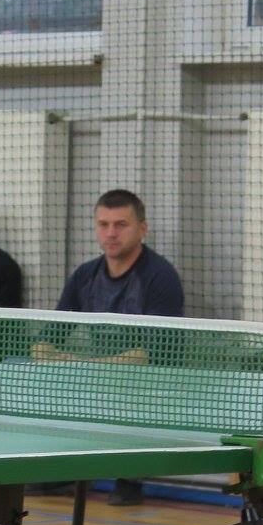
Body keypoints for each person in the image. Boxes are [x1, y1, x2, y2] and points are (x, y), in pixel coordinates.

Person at [41, 189, 185, 505]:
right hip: (98, 377)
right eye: (103, 224)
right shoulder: (85, 275)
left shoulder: (160, 277)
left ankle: (129, 476)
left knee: (137, 384)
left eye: (121, 224)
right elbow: (45, 341)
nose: (111, 233)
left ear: (142, 229)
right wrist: (50, 357)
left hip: (155, 384)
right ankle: (61, 470)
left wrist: (79, 364)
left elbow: (149, 356)